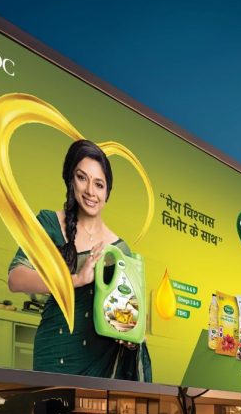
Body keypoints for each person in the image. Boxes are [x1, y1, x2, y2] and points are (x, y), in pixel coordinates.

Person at [8, 139, 152, 381]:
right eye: (82, 178)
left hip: (102, 362)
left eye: (99, 184)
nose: (90, 192)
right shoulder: (49, 223)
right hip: (55, 353)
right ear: (70, 179)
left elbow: (125, 316)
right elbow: (15, 278)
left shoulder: (120, 248)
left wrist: (129, 336)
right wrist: (75, 279)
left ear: (107, 192)